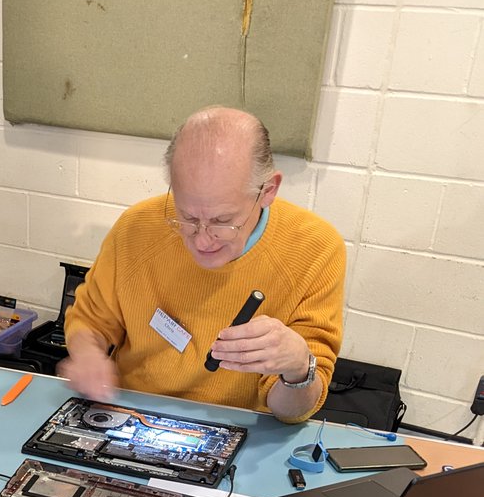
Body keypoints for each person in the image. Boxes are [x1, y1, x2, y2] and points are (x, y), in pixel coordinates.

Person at [60, 106, 345, 423]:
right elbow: (90, 320)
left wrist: (297, 369)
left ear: (268, 191)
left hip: (243, 426)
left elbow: (293, 411)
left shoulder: (315, 248)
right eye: (187, 217)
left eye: (223, 221)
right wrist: (88, 355)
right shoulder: (137, 227)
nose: (202, 240)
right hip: (131, 413)